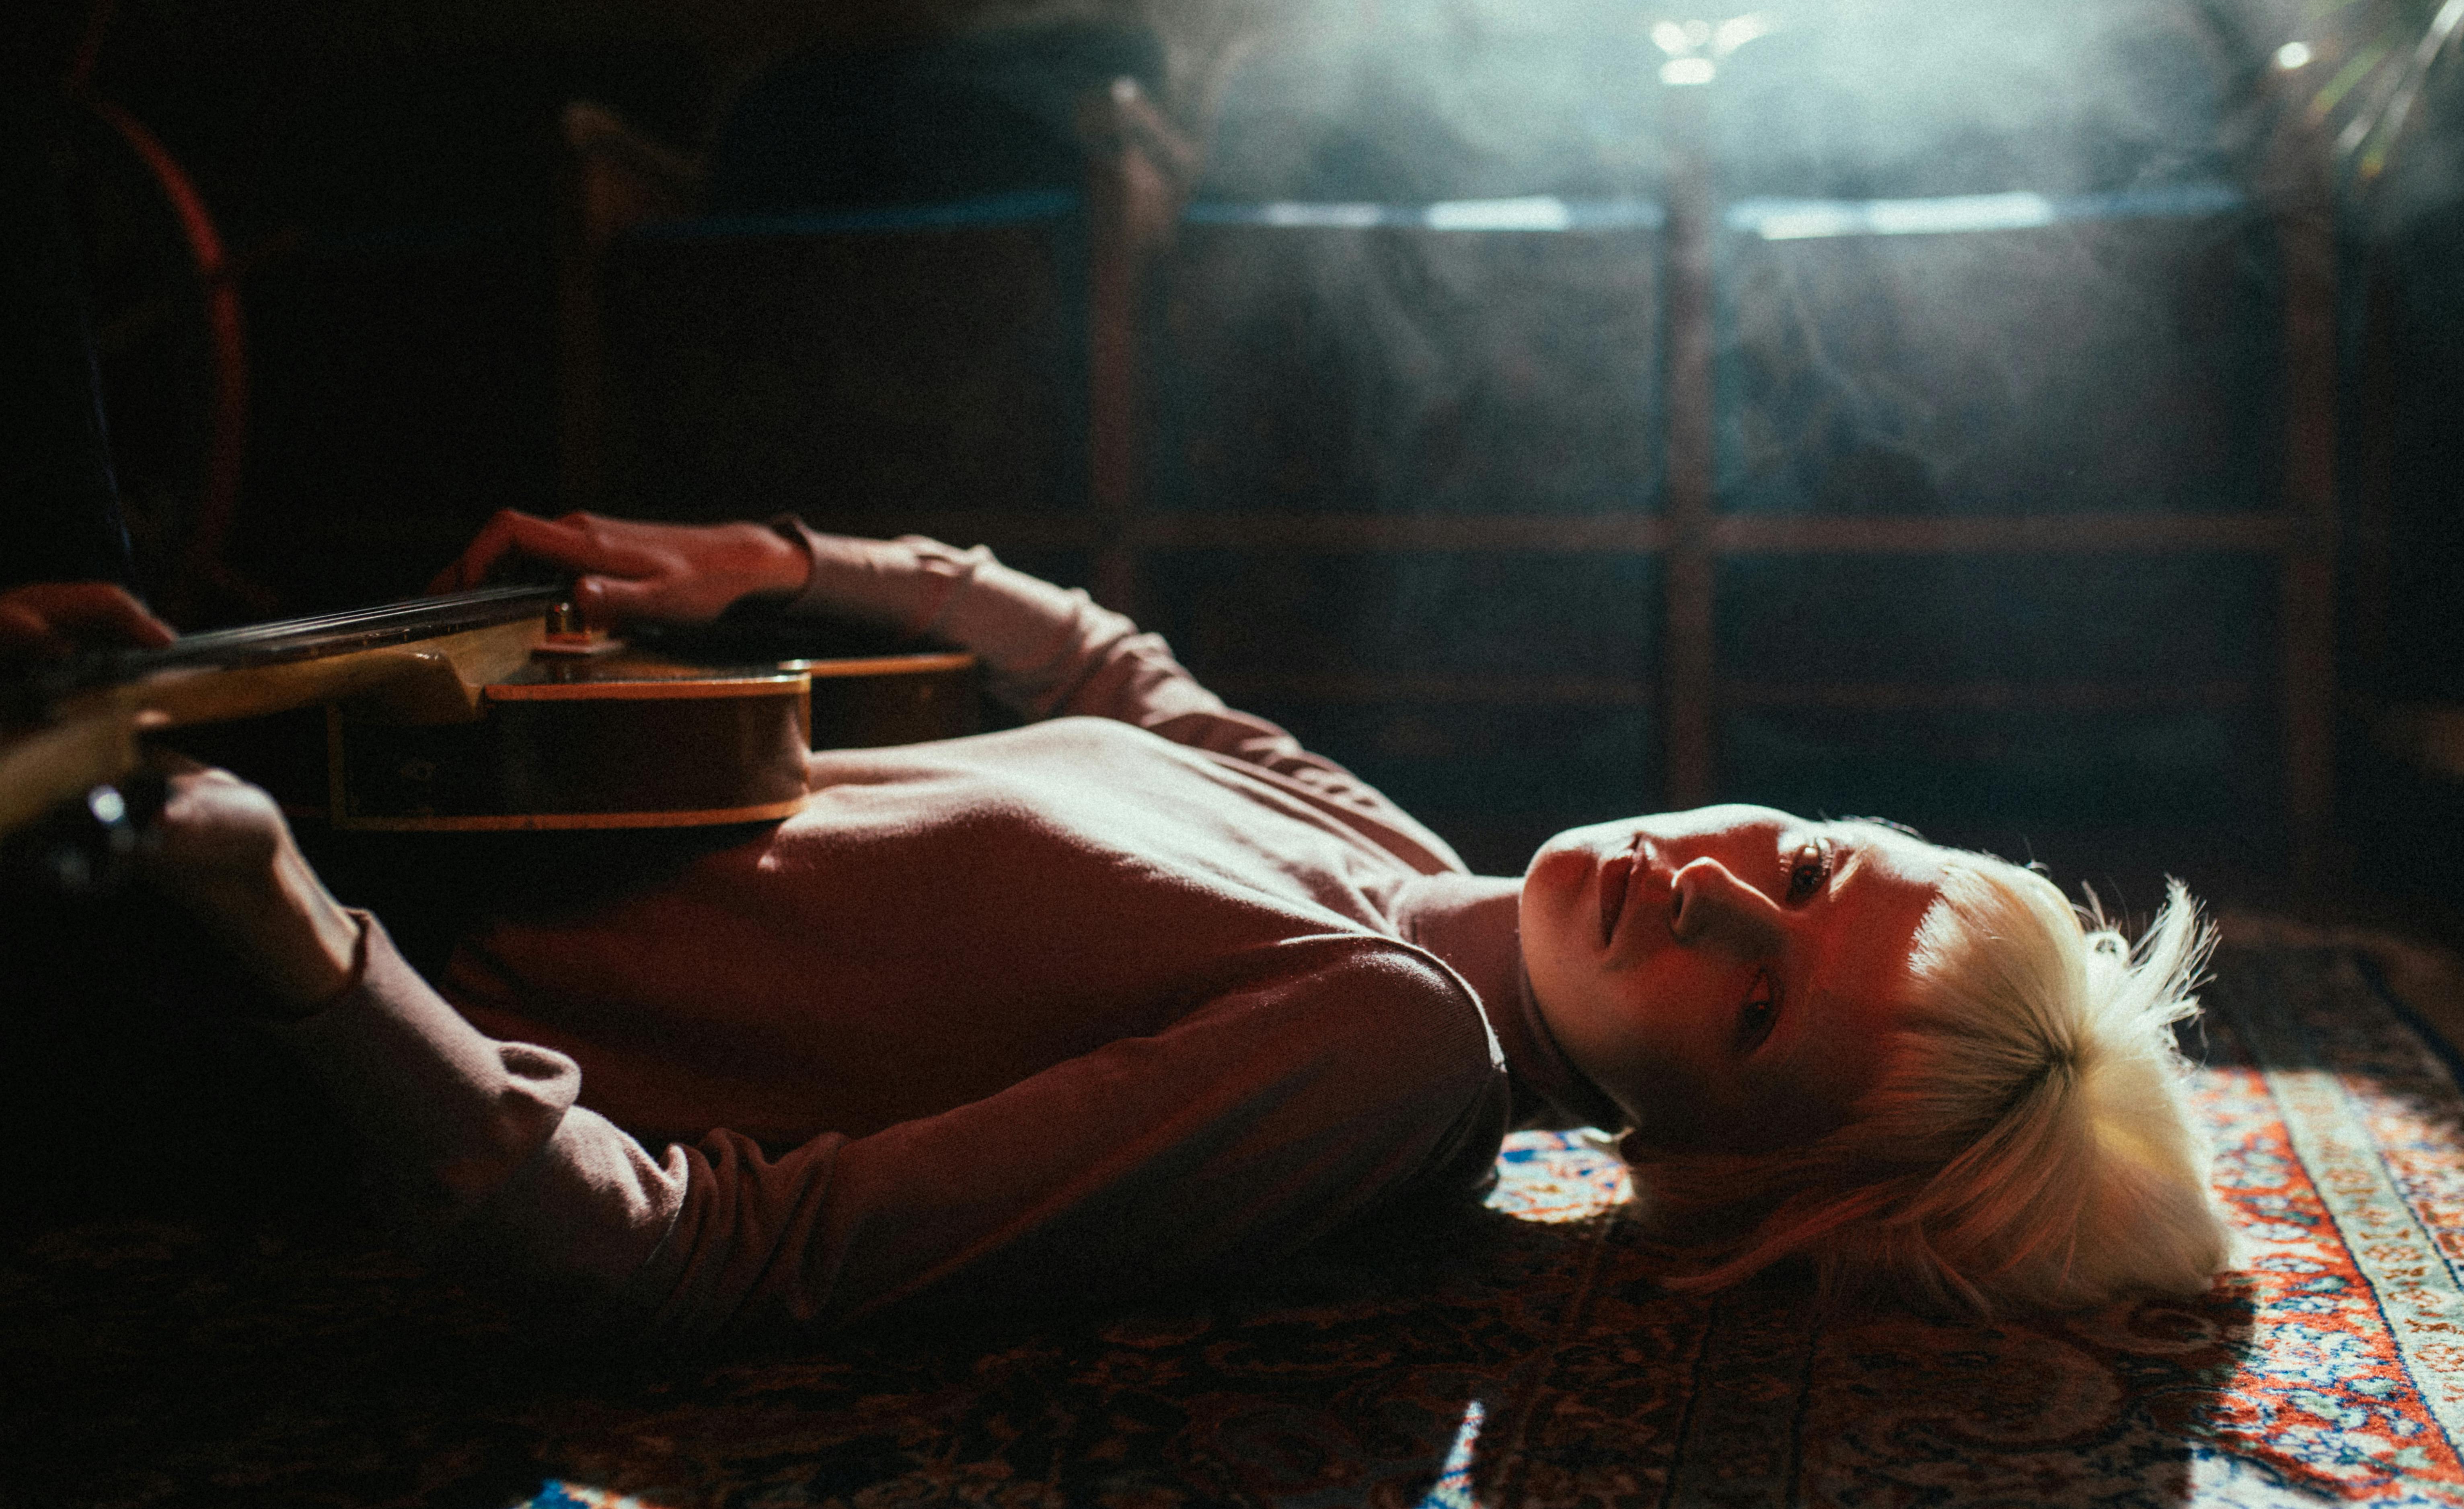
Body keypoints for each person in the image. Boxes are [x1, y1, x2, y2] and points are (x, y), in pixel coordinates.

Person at [128, 511, 2232, 1343]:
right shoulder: (1395, 850)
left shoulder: (1387, 1051)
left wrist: (288, 931)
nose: (1710, 894)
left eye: (1753, 1006)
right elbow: (1108, 663)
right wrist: (763, 563)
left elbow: (721, 1251)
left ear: (1712, 1162)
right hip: (380, 809)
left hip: (234, 997)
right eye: (1808, 868)